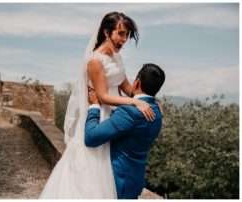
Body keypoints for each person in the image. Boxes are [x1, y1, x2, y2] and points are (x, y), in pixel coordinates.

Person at [39, 12, 158, 199]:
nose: (124, 39)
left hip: (115, 113)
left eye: (126, 35)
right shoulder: (95, 61)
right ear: (106, 32)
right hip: (100, 113)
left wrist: (147, 99)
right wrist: (135, 102)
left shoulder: (117, 58)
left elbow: (126, 87)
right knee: (94, 164)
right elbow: (102, 96)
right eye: (121, 33)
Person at [85, 63, 165, 199]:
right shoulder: (158, 111)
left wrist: (94, 106)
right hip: (135, 180)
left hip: (118, 183)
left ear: (137, 82)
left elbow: (91, 138)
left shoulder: (130, 112)